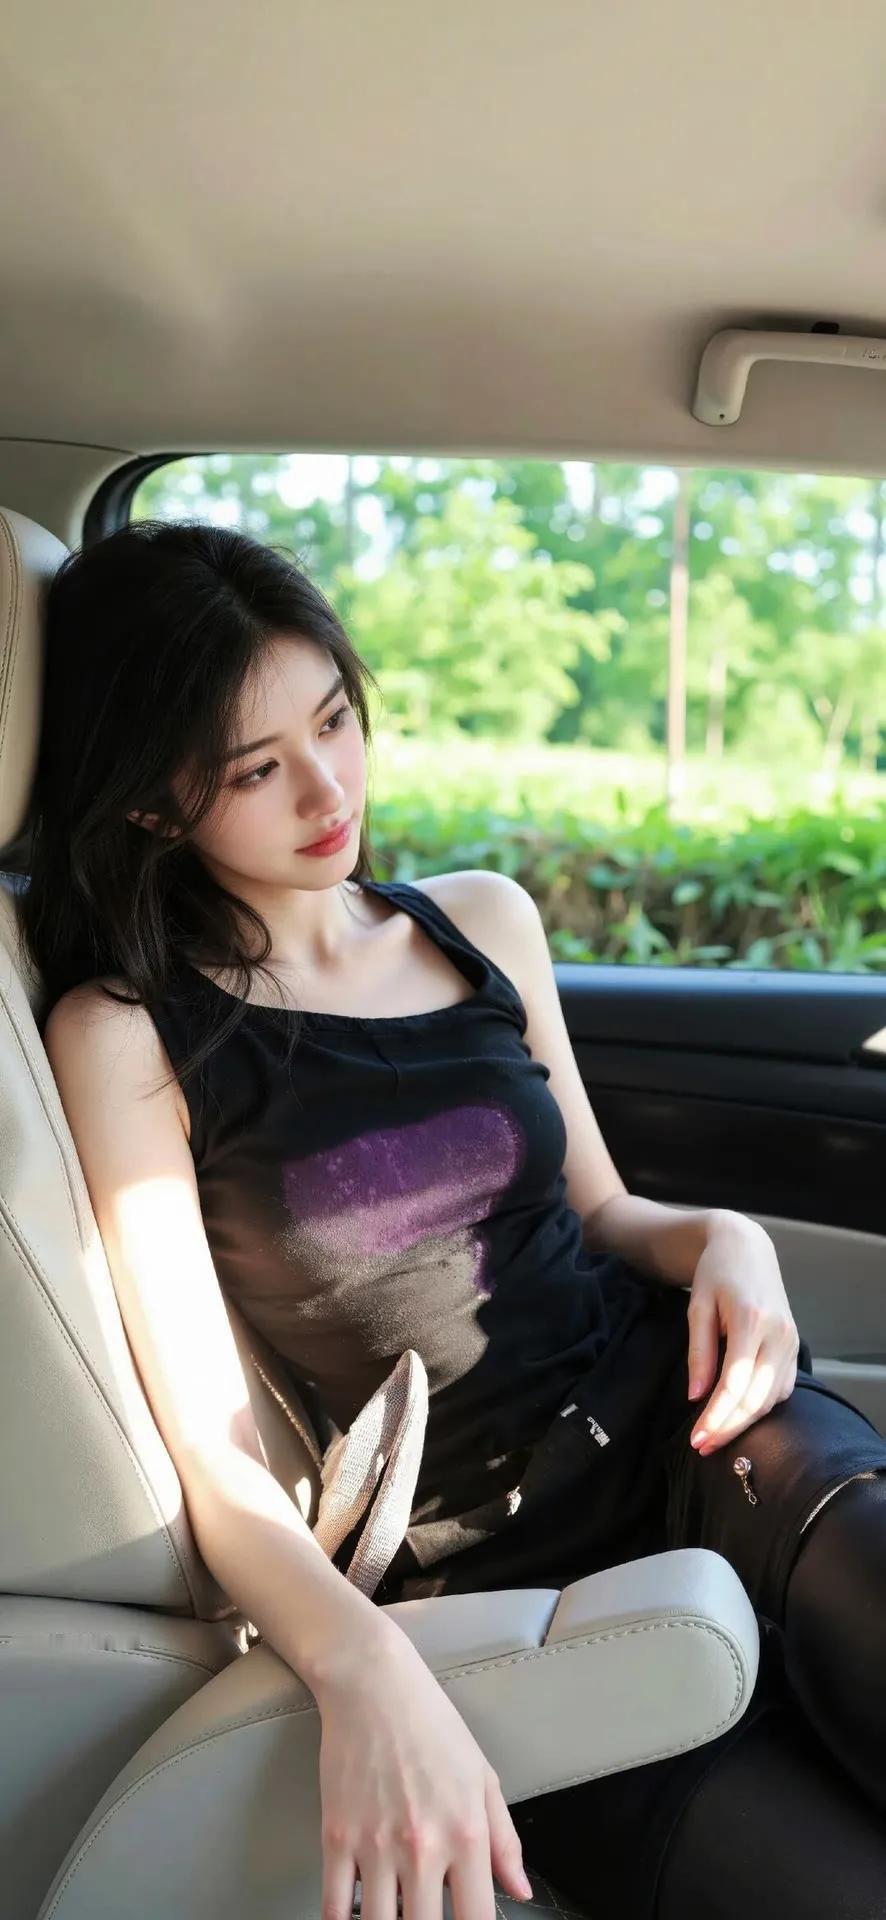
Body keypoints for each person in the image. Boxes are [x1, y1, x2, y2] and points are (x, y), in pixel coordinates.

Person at [20, 520, 886, 1920]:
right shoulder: (126, 1036)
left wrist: (728, 1236)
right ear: (150, 805)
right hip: (507, 1581)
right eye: (255, 768)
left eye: (336, 719)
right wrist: (366, 1667)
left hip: (700, 1432)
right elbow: (215, 1460)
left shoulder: (479, 919)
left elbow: (606, 1213)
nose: (329, 788)